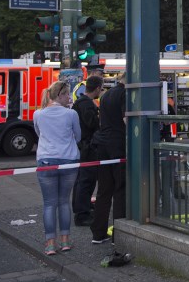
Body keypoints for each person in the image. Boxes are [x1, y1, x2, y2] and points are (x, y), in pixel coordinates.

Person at [33, 80, 81, 255]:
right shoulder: (71, 114)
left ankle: (50, 244)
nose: (69, 97)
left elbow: (39, 134)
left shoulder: (38, 114)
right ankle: (65, 241)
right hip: (69, 160)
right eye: (67, 94)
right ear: (60, 95)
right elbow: (78, 136)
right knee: (63, 202)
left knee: (49, 204)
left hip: (46, 160)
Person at [90, 72, 127, 244]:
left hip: (102, 145)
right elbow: (126, 120)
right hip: (117, 145)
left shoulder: (105, 95)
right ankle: (119, 236)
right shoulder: (125, 94)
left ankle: (98, 233)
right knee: (120, 189)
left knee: (104, 191)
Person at [71, 75, 103, 227]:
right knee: (86, 181)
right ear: (97, 88)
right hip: (88, 147)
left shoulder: (80, 102)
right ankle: (82, 214)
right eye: (100, 89)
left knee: (81, 180)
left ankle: (81, 207)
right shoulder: (87, 104)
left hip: (82, 146)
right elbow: (93, 124)